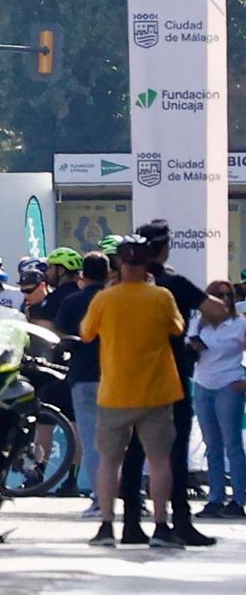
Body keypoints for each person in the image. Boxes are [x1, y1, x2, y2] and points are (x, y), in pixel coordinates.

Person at [83, 235, 186, 549]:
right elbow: (177, 327)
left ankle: (106, 526)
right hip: (156, 391)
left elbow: (86, 333)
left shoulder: (105, 298)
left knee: (109, 461)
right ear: (147, 264)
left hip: (115, 391)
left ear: (119, 264)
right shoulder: (161, 296)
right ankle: (161, 526)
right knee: (159, 461)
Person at [118, 221, 214, 547]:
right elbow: (214, 311)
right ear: (163, 248)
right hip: (169, 376)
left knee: (133, 452)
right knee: (172, 453)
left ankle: (131, 522)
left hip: (130, 376)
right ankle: (178, 520)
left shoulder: (118, 289)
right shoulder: (172, 285)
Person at [55, 252, 110, 514]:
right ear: (108, 273)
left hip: (83, 375)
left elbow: (59, 334)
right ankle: (133, 495)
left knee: (91, 440)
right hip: (116, 376)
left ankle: (101, 498)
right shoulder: (113, 300)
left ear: (83, 275)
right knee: (122, 441)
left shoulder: (73, 300)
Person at [189, 280, 246, 519]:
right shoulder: (198, 323)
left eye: (227, 295)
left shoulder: (239, 324)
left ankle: (239, 499)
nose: (223, 300)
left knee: (232, 444)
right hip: (203, 384)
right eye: (217, 295)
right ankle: (216, 497)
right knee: (212, 445)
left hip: (229, 384)